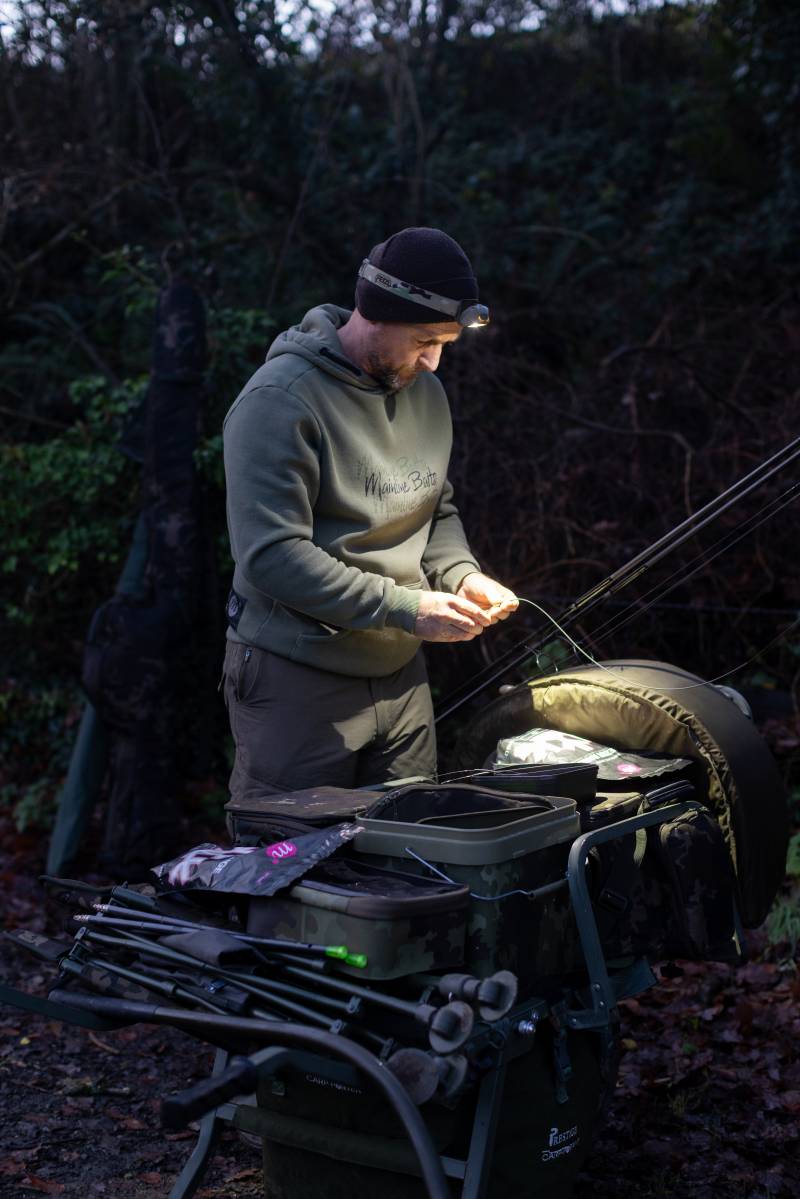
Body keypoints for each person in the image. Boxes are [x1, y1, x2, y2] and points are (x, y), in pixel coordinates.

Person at [221, 227, 517, 801]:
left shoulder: (423, 390)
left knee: (408, 855)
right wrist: (407, 606)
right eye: (424, 339)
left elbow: (436, 505)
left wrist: (462, 575)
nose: (434, 362)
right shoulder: (278, 402)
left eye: (446, 344)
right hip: (297, 676)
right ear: (374, 313)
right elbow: (271, 556)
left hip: (401, 675)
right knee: (291, 862)